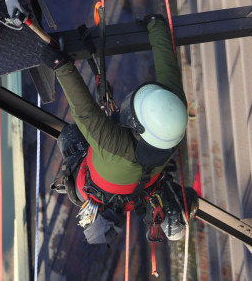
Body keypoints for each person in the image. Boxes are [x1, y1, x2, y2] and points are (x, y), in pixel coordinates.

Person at [41, 15, 199, 245]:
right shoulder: (173, 118)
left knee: (70, 136)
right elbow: (86, 113)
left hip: (130, 190)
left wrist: (156, 24)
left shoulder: (114, 142)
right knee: (72, 136)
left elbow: (84, 111)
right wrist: (60, 65)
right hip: (135, 189)